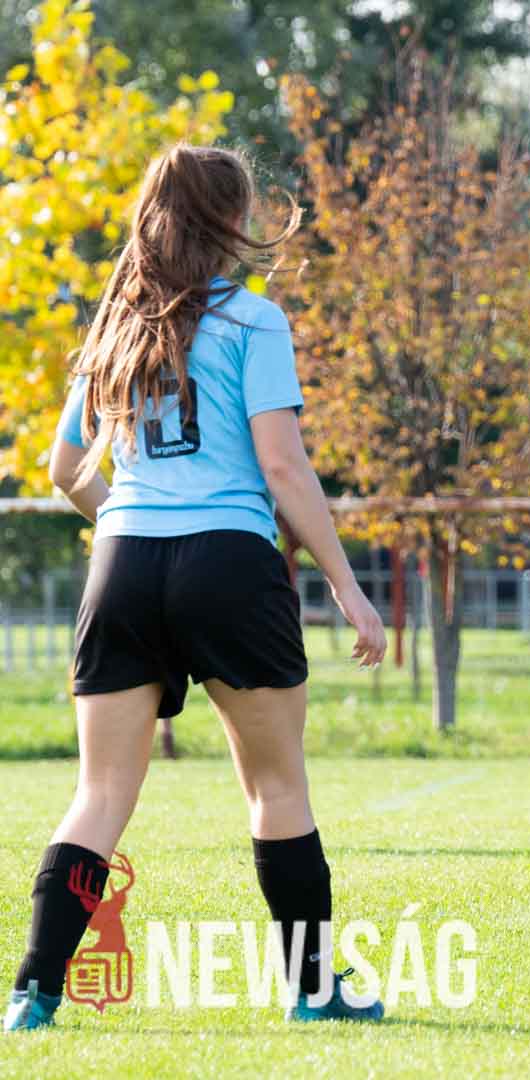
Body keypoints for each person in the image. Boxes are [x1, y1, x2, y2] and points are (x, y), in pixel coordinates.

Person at [5, 145, 387, 1033]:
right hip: (229, 563)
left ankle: (32, 994)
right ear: (231, 219)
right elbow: (283, 468)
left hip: (124, 563)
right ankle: (314, 991)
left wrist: (127, 518)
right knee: (277, 788)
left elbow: (65, 468)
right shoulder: (253, 319)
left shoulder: (116, 323)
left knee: (100, 794)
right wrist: (348, 586)